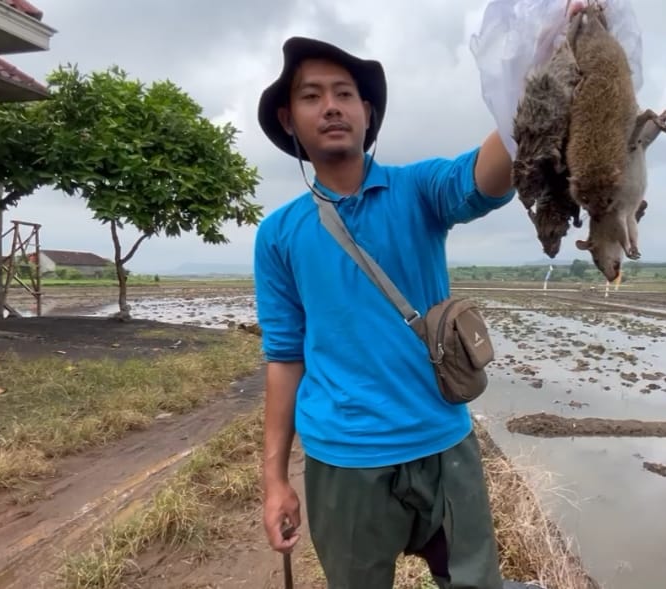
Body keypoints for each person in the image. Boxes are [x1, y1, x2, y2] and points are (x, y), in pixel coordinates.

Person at [252, 35, 516, 589]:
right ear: (288, 118)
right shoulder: (278, 235)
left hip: (443, 445)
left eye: (345, 93)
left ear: (367, 114)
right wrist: (274, 479)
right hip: (344, 461)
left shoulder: (418, 191)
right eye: (312, 96)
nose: (331, 106)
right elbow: (284, 357)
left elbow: (486, 177)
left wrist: (532, 89)